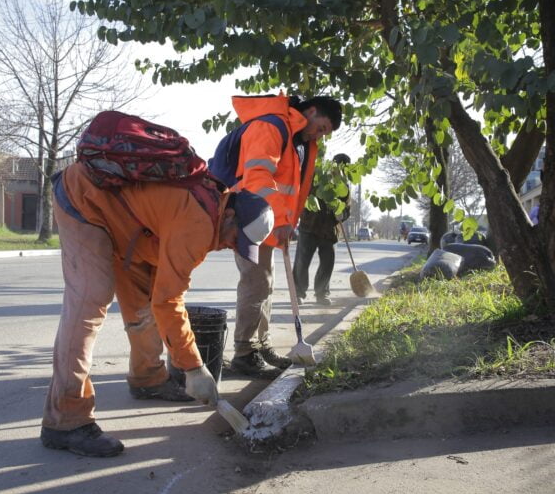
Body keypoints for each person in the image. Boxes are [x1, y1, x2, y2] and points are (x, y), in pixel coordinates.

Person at [39, 162, 274, 457]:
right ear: (228, 215)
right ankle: (66, 418)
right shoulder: (199, 222)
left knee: (145, 301)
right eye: (235, 238)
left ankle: (147, 378)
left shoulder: (212, 201)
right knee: (91, 299)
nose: (231, 246)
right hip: (84, 198)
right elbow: (170, 301)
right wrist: (194, 368)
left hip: (128, 227)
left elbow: (161, 296)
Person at [211, 93, 342, 378]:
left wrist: (287, 222)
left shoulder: (299, 142)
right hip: (247, 215)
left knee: (265, 284)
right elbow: (257, 176)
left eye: (324, 133)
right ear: (311, 110)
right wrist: (281, 220)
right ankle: (245, 352)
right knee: (256, 282)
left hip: (267, 220)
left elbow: (289, 188)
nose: (319, 135)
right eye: (321, 127)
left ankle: (261, 345)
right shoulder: (271, 127)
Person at [292, 153, 351, 306]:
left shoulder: (344, 187)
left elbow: (347, 208)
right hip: (309, 226)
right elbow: (303, 195)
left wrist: (342, 214)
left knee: (327, 263)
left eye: (344, 169)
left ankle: (322, 294)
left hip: (329, 231)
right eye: (339, 167)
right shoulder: (318, 176)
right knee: (302, 261)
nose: (340, 172)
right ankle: (298, 293)